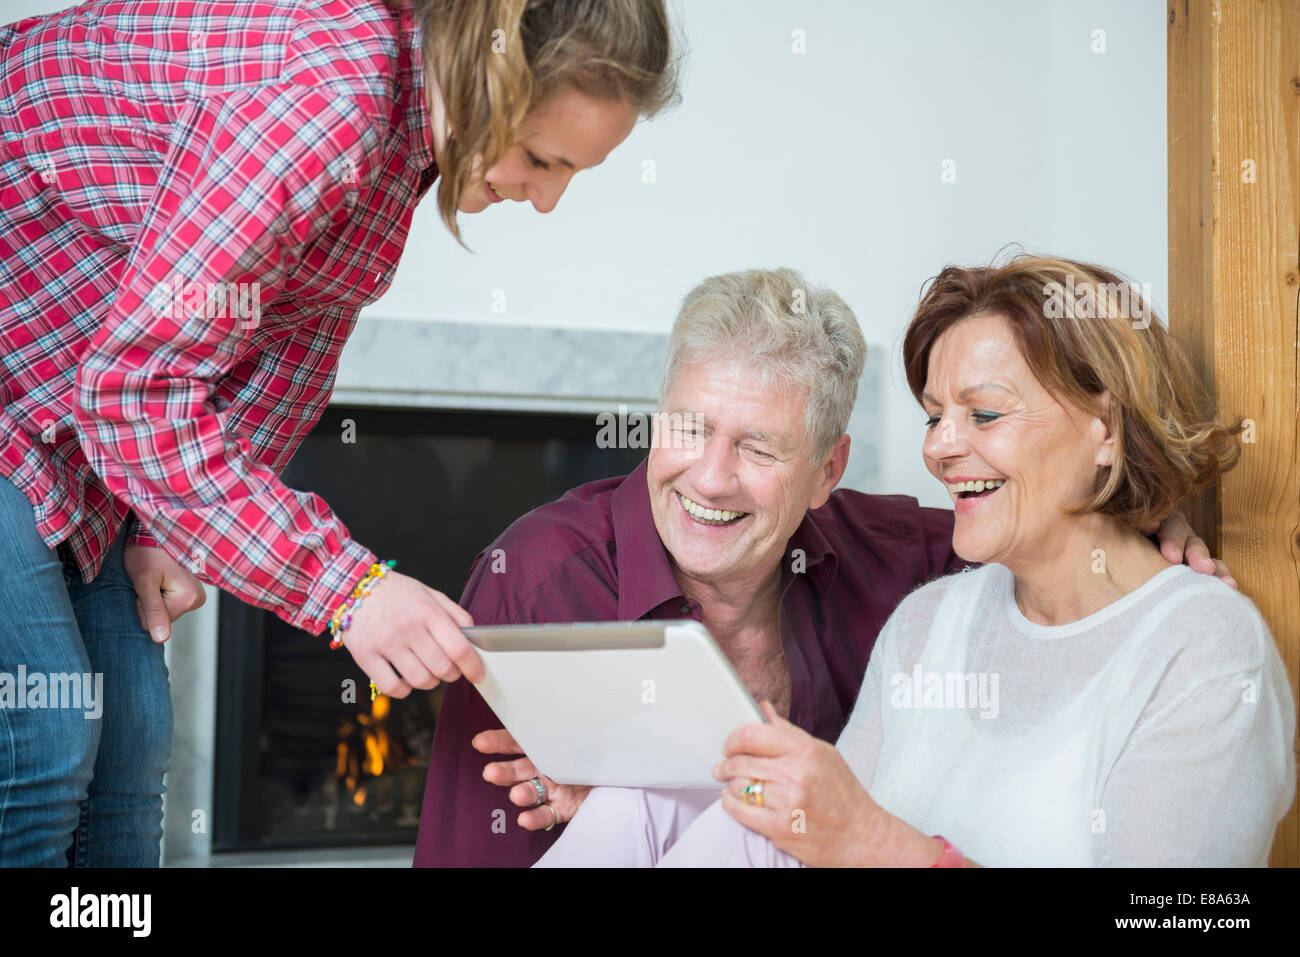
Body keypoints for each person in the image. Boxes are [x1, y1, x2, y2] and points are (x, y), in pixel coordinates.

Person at [0, 0, 678, 866]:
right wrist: (348, 590)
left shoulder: (400, 137)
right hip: (32, 390)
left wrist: (172, 524)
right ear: (486, 72)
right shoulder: (329, 99)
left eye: (571, 173)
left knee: (132, 742)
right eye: (541, 158)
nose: (545, 200)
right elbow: (135, 391)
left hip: (77, 420)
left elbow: (289, 349)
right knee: (46, 735)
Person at [415, 265, 1229, 867]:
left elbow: (1035, 527)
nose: (943, 448)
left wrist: (1144, 514)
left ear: (827, 471)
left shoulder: (929, 567)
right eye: (937, 417)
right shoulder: (930, 620)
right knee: (636, 803)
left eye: (980, 413)